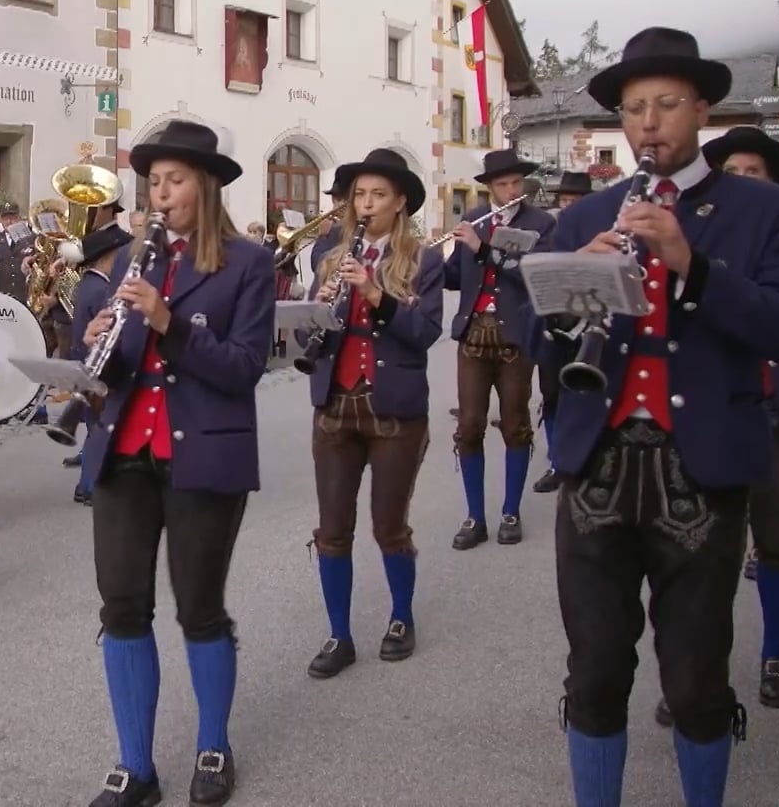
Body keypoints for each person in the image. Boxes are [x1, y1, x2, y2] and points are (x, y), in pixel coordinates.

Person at [536, 28, 779, 807]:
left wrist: (691, 263)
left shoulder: (760, 211)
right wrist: (573, 297)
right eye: (634, 109)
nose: (649, 123)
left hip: (700, 464)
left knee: (696, 677)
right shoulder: (587, 213)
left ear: (703, 109)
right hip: (598, 463)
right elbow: (551, 355)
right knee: (594, 671)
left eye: (665, 104)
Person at [76, 119, 275, 807]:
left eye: (175, 181)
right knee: (123, 606)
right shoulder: (140, 260)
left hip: (202, 452)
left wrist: (169, 322)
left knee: (200, 609)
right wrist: (98, 340)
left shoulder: (249, 264)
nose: (161, 196)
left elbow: (245, 368)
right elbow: (122, 367)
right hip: (125, 450)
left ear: (207, 185)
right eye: (153, 182)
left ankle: (213, 745)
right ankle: (136, 766)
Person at [666, 125, 779, 715]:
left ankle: (774, 653)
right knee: (697, 549)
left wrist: (729, 294)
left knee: (777, 541)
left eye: (754, 174)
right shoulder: (689, 237)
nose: (742, 183)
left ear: (773, 188)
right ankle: (693, 673)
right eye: (732, 174)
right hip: (711, 403)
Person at [299, 148, 445, 679]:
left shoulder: (424, 260)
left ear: (400, 201)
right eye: (359, 195)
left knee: (389, 526)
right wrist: (316, 307)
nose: (366, 204)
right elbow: (304, 330)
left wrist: (375, 293)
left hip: (395, 412)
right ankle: (339, 634)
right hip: (335, 405)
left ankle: (401, 617)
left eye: (378, 195)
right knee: (332, 530)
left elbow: (425, 333)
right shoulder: (327, 253)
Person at [442, 148, 555, 548]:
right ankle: (475, 516)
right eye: (503, 184)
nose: (511, 191)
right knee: (469, 426)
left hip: (515, 336)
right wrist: (420, 265)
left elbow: (535, 275)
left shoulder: (540, 223)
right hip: (473, 334)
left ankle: (511, 510)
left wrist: (483, 249)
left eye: (516, 183)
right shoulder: (473, 220)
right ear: (489, 188)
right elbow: (456, 276)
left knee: (514, 424)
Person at [533, 170, 594, 495]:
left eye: (575, 200)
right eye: (565, 200)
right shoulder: (549, 231)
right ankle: (557, 461)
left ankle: (584, 459)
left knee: (585, 394)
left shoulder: (601, 229)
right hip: (554, 324)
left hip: (591, 325)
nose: (568, 206)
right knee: (552, 396)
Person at [62, 222, 130, 502]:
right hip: (94, 367)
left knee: (94, 426)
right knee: (98, 429)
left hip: (82, 361)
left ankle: (85, 485)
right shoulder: (102, 288)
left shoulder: (87, 283)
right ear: (108, 257)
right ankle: (90, 485)